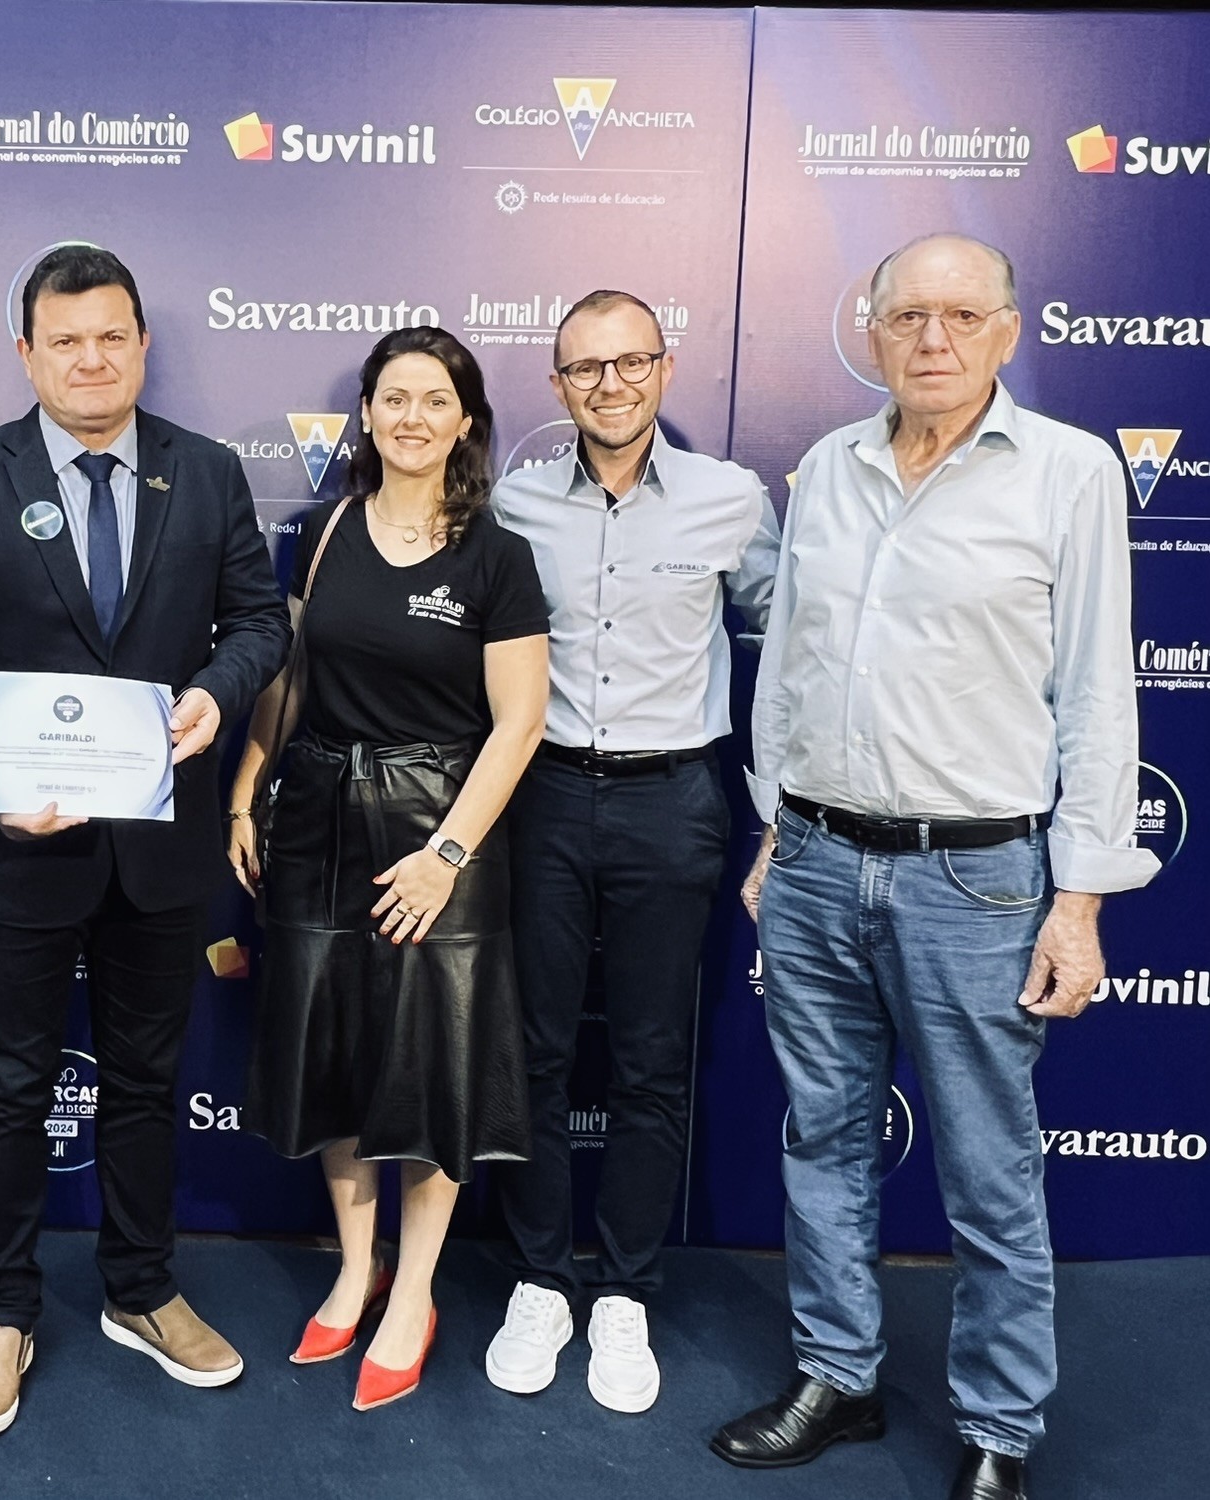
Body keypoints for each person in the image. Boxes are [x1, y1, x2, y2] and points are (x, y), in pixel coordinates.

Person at [713, 234, 1157, 1500]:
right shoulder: (829, 470)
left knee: (987, 1169)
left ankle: (999, 1431)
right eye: (908, 315)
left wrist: (1080, 899)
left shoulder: (1069, 473)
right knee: (824, 1140)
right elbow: (792, 664)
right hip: (813, 862)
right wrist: (773, 827)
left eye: (964, 315)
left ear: (1010, 330)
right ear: (870, 328)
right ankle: (837, 1377)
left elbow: (1098, 698)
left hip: (976, 882)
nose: (934, 338)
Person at [0, 245, 289, 1435]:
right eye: (66, 341)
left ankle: (141, 1288)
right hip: (20, 845)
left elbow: (258, 623)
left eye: (112, 336)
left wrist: (216, 693)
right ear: (27, 354)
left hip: (160, 850)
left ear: (142, 343)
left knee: (147, 1082)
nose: (92, 359)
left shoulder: (206, 473)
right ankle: (3, 1311)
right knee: (11, 1088)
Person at [229, 326, 550, 1411]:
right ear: (366, 414)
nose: (413, 417)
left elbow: (519, 723)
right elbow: (287, 679)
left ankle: (414, 1292)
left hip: (438, 825)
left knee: (429, 1064)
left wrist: (446, 855)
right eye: (394, 397)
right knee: (333, 1056)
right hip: (319, 816)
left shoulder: (497, 556)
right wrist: (245, 790)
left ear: (466, 421)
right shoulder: (322, 533)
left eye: (435, 399)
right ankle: (355, 1268)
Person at [484, 291, 778, 1413]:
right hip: (543, 796)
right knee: (534, 1050)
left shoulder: (730, 498)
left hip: (674, 800)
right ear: (558, 385)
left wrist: (779, 808)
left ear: (665, 366)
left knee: (653, 1060)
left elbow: (796, 640)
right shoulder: (514, 502)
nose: (610, 385)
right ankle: (541, 1281)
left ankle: (625, 1293)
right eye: (586, 368)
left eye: (631, 362)